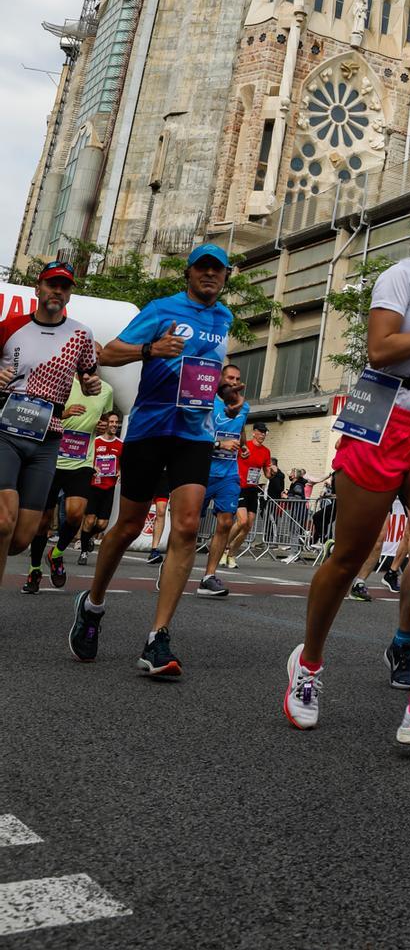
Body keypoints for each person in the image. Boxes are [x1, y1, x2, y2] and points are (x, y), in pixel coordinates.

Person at [284, 190, 410, 752]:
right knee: (349, 556)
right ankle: (309, 662)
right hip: (384, 421)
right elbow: (380, 350)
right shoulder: (399, 278)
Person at [68, 244, 234, 677]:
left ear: (226, 276)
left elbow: (206, 368)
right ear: (190, 273)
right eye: (203, 268)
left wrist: (223, 392)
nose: (210, 276)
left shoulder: (224, 318)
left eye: (218, 270)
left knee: (186, 525)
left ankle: (157, 637)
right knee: (126, 525)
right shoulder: (161, 309)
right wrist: (151, 350)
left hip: (195, 432)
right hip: (150, 429)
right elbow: (106, 354)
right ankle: (94, 604)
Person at [0, 261, 102, 590]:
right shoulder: (10, 326)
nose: (57, 291)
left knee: (20, 538)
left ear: (70, 294)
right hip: (6, 431)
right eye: (51, 284)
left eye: (64, 286)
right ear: (38, 288)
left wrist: (90, 385)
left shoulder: (81, 334)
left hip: (48, 440)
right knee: (3, 521)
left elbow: (90, 374)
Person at [23, 365, 114, 592]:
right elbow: (36, 412)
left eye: (97, 357)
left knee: (75, 514)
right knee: (43, 521)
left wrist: (101, 425)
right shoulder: (60, 382)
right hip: (51, 457)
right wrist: (63, 413)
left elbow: (102, 418)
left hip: (82, 461)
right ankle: (34, 570)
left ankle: (57, 554)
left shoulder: (107, 390)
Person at [194, 363, 249, 597]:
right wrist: (219, 444)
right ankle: (172, 567)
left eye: (237, 379)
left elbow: (240, 427)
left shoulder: (244, 405)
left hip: (228, 473)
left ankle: (208, 576)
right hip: (202, 472)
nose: (233, 382)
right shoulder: (207, 403)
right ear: (220, 379)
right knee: (189, 527)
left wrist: (243, 446)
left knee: (226, 522)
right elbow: (196, 436)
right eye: (229, 378)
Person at [79, 410, 124, 563]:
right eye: (111, 422)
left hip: (109, 488)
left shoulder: (120, 444)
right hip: (94, 486)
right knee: (90, 520)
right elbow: (87, 460)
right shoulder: (96, 441)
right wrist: (93, 469)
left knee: (102, 524)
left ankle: (88, 537)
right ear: (105, 423)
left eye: (116, 422)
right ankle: (84, 552)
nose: (114, 425)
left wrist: (119, 472)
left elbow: (123, 465)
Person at [224, 422, 270, 565]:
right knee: (242, 521)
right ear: (254, 432)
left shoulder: (266, 451)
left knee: (248, 525)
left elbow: (267, 474)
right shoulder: (245, 446)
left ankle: (231, 554)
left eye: (265, 432)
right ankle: (222, 547)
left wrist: (273, 470)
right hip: (239, 486)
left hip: (252, 489)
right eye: (260, 432)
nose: (263, 435)